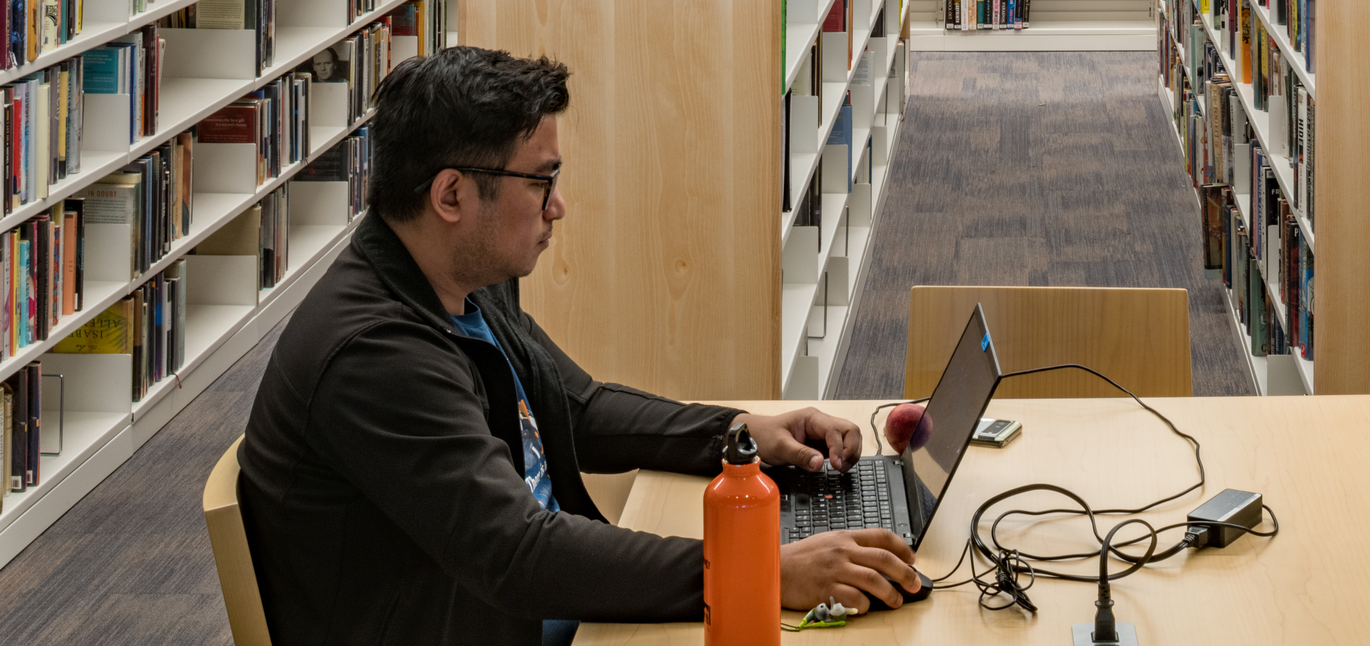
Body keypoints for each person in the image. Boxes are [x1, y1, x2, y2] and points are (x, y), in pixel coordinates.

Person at [239, 47, 920, 646]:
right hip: (501, 615)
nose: (557, 206)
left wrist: (742, 432)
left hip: (534, 604)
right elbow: (517, 553)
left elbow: (580, 408)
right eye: (541, 181)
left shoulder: (463, 277)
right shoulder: (374, 355)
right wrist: (756, 569)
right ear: (451, 194)